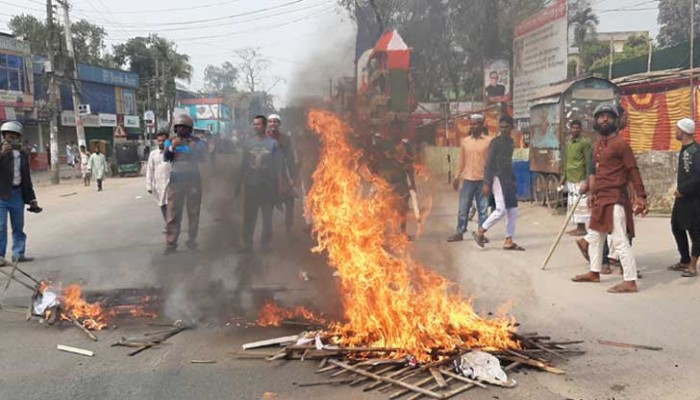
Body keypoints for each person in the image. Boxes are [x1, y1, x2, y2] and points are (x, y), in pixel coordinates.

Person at [572, 103, 648, 294]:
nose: (605, 119)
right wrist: (591, 193)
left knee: (619, 239)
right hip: (600, 197)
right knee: (597, 237)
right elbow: (596, 174)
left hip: (615, 198)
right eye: (601, 116)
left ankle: (630, 280)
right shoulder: (597, 146)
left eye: (609, 116)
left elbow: (632, 170)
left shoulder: (621, 144)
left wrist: (641, 196)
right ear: (596, 121)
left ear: (615, 121)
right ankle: (594, 272)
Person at [473, 115, 524, 250]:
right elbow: (489, 164)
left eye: (506, 127)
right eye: (501, 127)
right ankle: (481, 231)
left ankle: (508, 240)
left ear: (511, 127)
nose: (504, 130)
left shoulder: (511, 142)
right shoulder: (495, 143)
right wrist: (486, 183)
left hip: (508, 180)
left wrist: (513, 180)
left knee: (512, 210)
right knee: (501, 209)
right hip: (497, 179)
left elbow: (507, 163)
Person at [236, 115, 280, 252]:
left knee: (267, 217)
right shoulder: (248, 143)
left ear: (265, 125)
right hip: (251, 185)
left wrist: (278, 186)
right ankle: (247, 243)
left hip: (267, 187)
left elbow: (277, 166)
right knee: (249, 216)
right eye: (254, 124)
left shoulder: (273, 144)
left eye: (259, 124)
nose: (256, 127)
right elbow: (243, 164)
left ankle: (265, 244)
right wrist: (238, 183)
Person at [163, 114, 206, 255]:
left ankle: (192, 241)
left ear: (189, 129)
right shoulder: (170, 141)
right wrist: (171, 149)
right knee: (173, 213)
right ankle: (171, 243)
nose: (181, 129)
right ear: (175, 128)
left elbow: (203, 158)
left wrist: (195, 150)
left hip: (193, 180)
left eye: (184, 127)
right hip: (176, 180)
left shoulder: (197, 142)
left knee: (193, 212)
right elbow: (166, 157)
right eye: (179, 127)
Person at [448, 114, 493, 242]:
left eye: (476, 124)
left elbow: (491, 163)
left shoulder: (489, 142)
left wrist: (489, 181)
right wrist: (457, 177)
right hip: (468, 179)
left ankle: (481, 234)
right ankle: (459, 232)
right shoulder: (465, 142)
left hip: (483, 180)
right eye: (472, 124)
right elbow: (461, 160)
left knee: (483, 209)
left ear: (482, 124)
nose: (473, 126)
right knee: (463, 208)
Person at [0, 121, 40, 264]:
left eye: (13, 136)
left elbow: (26, 178)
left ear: (18, 138)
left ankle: (18, 253)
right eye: (7, 136)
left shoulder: (22, 154)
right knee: (1, 227)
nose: (10, 139)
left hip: (17, 194)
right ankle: (0, 256)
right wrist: (2, 154)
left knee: (18, 226)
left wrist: (32, 198)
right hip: (1, 196)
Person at [668, 118, 700, 277]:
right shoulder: (685, 149)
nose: (675, 131)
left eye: (677, 128)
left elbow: (698, 176)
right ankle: (685, 259)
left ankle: (693, 265)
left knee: (695, 231)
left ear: (683, 131)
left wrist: (683, 189)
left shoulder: (695, 151)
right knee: (676, 226)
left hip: (693, 198)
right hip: (682, 198)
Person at [560, 120, 592, 236]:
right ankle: (578, 227)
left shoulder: (584, 143)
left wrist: (588, 180)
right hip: (571, 177)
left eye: (577, 128)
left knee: (581, 204)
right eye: (573, 128)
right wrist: (563, 178)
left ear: (581, 129)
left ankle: (582, 228)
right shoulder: (569, 144)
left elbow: (589, 162)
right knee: (573, 203)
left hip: (580, 177)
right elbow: (566, 161)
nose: (575, 130)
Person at [267, 114, 298, 233]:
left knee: (290, 198)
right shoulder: (263, 138)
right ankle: (267, 230)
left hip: (281, 173)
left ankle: (288, 227)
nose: (273, 124)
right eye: (270, 122)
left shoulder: (285, 139)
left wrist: (293, 176)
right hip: (266, 175)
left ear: (279, 124)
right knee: (267, 203)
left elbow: (289, 158)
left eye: (275, 122)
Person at [146, 130, 172, 226]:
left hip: (171, 183)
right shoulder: (153, 154)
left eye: (163, 141)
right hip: (159, 185)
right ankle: (168, 224)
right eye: (159, 140)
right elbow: (150, 169)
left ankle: (171, 225)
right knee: (162, 205)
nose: (161, 143)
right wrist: (149, 185)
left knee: (171, 206)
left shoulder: (172, 153)